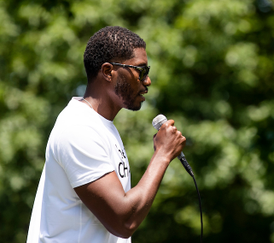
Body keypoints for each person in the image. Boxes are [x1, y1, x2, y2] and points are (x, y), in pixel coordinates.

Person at [27, 26, 186, 243]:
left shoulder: (101, 127)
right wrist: (163, 154)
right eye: (141, 71)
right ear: (108, 71)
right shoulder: (78, 128)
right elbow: (123, 221)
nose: (147, 81)